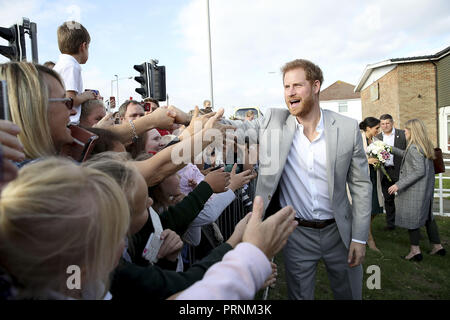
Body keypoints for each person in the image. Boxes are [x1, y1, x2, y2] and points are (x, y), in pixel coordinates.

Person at [221, 59, 372, 300]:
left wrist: (359, 238)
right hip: (296, 234)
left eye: (297, 85)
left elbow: (362, 186)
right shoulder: (274, 121)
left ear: (315, 86)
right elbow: (235, 127)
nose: (290, 92)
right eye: (286, 86)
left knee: (350, 295)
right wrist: (193, 120)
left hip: (340, 233)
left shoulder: (347, 128)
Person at [0, 157, 130, 299]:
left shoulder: (74, 278)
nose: (124, 244)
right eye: (118, 236)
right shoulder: (76, 279)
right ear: (83, 270)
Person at [388, 119, 446, 261]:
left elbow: (418, 171)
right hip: (425, 189)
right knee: (427, 217)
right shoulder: (423, 145)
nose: (404, 132)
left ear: (413, 131)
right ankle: (437, 246)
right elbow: (409, 157)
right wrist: (390, 149)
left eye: (406, 130)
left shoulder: (414, 147)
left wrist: (398, 184)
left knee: (411, 218)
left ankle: (415, 251)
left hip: (414, 190)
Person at [53, 21, 98, 124]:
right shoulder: (71, 66)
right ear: (83, 46)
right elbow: (70, 99)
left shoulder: (62, 64)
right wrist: (87, 95)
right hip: (68, 124)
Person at [376, 114, 407, 231]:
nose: (385, 126)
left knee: (404, 198)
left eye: (387, 123)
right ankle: (391, 224)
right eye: (382, 124)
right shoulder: (377, 137)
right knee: (388, 199)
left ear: (392, 123)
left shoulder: (402, 134)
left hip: (400, 170)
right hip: (385, 171)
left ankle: (406, 223)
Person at [359, 117, 383, 252]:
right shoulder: (357, 139)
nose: (378, 131)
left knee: (376, 209)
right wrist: (367, 161)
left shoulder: (377, 141)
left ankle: (362, 232)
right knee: (366, 210)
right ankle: (369, 239)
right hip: (363, 178)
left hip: (375, 177)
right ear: (368, 128)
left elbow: (382, 155)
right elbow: (352, 158)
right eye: (376, 128)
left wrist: (382, 158)